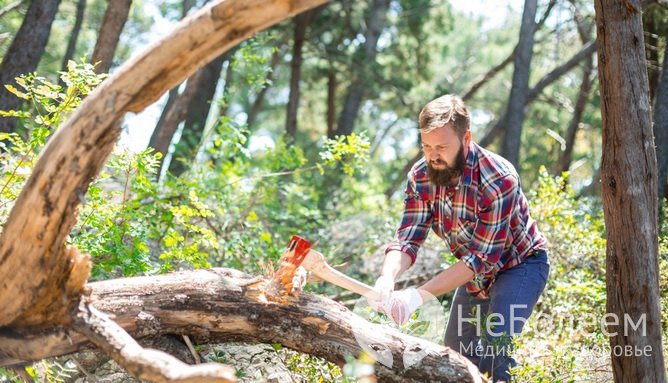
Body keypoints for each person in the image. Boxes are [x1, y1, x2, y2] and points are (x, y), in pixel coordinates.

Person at [370, 94, 550, 382]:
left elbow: (479, 260)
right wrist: (387, 278)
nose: (433, 155)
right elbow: (408, 237)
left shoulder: (498, 179)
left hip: (520, 265)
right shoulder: (420, 176)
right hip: (474, 273)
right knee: (455, 356)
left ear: (466, 138)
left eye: (442, 146)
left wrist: (416, 297)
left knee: (495, 348)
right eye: (427, 146)